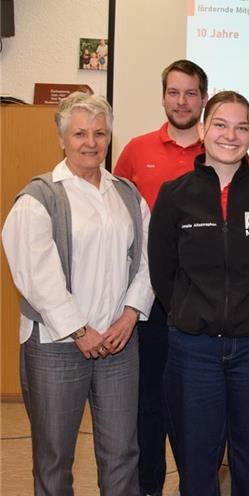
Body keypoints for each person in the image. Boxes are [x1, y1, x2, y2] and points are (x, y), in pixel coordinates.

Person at [2, 92, 154, 495]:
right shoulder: (39, 198)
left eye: (100, 133)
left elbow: (148, 261)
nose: (91, 142)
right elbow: (36, 277)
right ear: (62, 138)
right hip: (57, 346)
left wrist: (129, 316)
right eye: (80, 133)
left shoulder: (127, 194)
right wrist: (79, 330)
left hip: (119, 345)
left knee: (122, 453)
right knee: (54, 459)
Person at [148, 91, 249, 495]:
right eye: (220, 124)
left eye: (241, 127)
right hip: (194, 351)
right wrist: (189, 312)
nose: (230, 135)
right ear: (201, 130)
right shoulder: (174, 195)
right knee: (197, 467)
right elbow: (162, 272)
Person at [114, 59, 208, 496]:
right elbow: (114, 220)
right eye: (174, 92)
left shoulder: (221, 151)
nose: (182, 101)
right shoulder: (136, 150)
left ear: (203, 99)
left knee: (195, 409)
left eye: (191, 93)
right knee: (147, 404)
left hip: (201, 303)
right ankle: (148, 487)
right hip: (145, 303)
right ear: (163, 97)